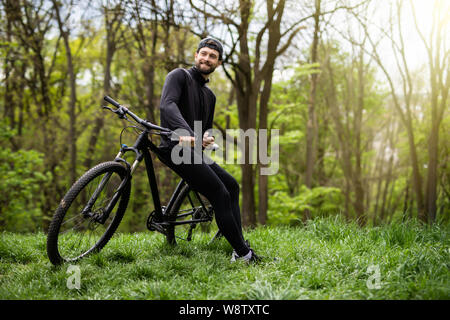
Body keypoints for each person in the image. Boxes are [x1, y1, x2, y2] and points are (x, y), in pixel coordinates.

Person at [157, 37, 259, 263]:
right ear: (196, 56)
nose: (207, 58)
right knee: (219, 194)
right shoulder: (178, 76)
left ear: (218, 63)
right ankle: (243, 255)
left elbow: (202, 128)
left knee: (232, 186)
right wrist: (188, 134)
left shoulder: (209, 95)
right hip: (174, 146)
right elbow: (167, 105)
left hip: (192, 151)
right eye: (203, 53)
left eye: (212, 56)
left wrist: (204, 137)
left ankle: (239, 244)